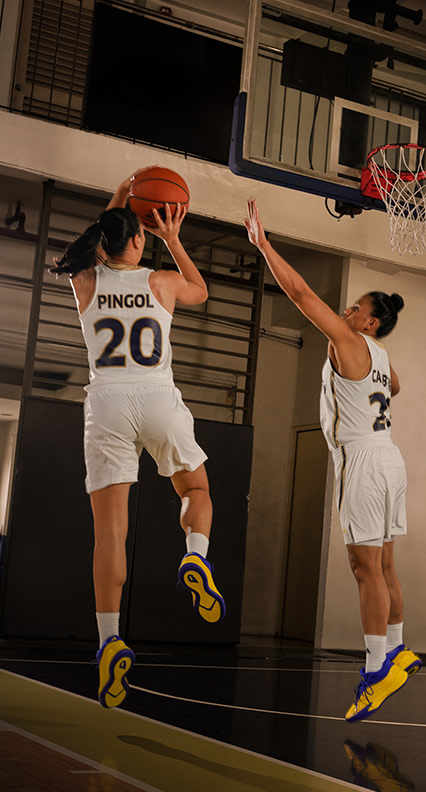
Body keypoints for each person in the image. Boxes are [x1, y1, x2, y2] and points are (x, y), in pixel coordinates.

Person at [51, 169, 225, 708]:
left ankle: (108, 640)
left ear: (102, 243)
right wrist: (173, 239)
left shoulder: (85, 281)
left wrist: (120, 198)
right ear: (139, 240)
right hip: (156, 397)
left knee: (110, 533)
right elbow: (201, 289)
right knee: (196, 493)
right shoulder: (161, 280)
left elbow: (86, 246)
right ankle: (195, 555)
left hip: (105, 402)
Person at [244, 198, 421, 722]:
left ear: (370, 323)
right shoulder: (383, 357)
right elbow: (396, 386)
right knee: (385, 564)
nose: (345, 311)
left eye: (354, 309)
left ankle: (373, 673)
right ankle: (396, 650)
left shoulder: (348, 340)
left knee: (363, 569)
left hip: (364, 462)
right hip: (390, 456)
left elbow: (299, 293)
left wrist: (263, 244)